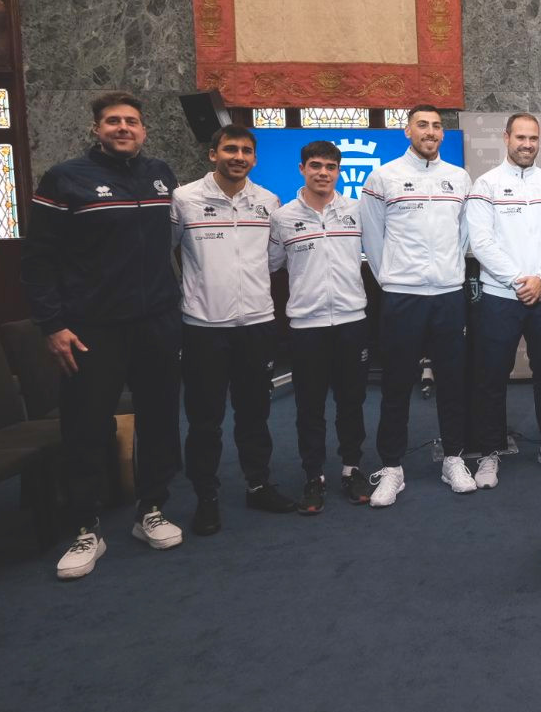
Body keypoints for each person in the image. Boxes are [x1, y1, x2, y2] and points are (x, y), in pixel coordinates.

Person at [23, 92, 184, 580]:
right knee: (86, 425)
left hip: (155, 321)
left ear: (144, 130)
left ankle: (150, 510)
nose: (123, 128)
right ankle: (85, 527)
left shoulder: (162, 175)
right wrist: (52, 324)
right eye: (113, 121)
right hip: (91, 329)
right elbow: (37, 260)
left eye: (131, 121)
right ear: (96, 128)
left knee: (159, 419)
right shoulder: (66, 178)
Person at [172, 123, 295, 534]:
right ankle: (206, 496)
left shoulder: (268, 201)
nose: (238, 157)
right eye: (230, 149)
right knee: (204, 418)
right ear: (213, 154)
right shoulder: (184, 199)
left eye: (246, 151)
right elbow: (165, 251)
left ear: (255, 159)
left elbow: (274, 260)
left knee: (255, 414)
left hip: (257, 324)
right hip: (204, 326)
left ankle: (258, 484)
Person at [359, 105, 472, 502]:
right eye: (423, 125)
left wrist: (447, 273)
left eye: (437, 126)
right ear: (408, 131)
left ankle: (454, 459)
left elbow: (462, 236)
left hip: (447, 296)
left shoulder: (458, 178)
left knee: (453, 382)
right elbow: (373, 240)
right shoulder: (383, 177)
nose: (431, 132)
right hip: (402, 297)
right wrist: (393, 277)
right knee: (395, 384)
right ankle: (391, 467)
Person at [466, 112, 541, 483]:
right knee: (492, 376)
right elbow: (481, 242)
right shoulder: (486, 184)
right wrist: (517, 280)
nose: (527, 144)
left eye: (533, 138)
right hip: (499, 297)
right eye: (520, 138)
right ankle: (490, 453)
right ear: (506, 138)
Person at [268, 140, 371, 513]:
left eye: (330, 166)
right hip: (306, 325)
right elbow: (273, 264)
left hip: (351, 321)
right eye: (315, 165)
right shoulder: (282, 217)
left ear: (339, 171)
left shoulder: (356, 211)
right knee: (309, 406)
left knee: (352, 402)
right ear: (302, 169)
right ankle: (314, 475)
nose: (323, 172)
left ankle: (351, 467)